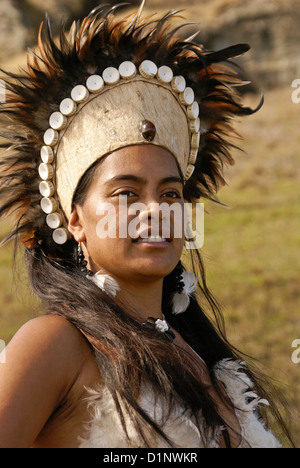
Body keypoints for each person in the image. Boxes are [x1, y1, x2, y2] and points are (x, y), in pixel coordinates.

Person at [0, 2, 291, 448]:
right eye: (126, 193)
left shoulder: (201, 355)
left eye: (171, 193)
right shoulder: (56, 344)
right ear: (75, 220)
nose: (155, 210)